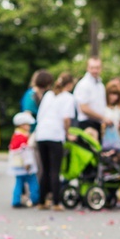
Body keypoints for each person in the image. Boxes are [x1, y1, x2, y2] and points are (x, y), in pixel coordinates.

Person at [35, 72, 76, 211]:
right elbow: (66, 119)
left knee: (45, 169)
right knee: (55, 170)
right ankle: (56, 202)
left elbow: (40, 115)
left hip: (41, 134)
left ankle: (41, 201)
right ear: (70, 84)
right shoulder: (68, 97)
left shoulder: (48, 95)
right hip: (55, 134)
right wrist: (68, 134)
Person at [8, 112, 40, 208]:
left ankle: (16, 200)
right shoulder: (22, 137)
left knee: (18, 183)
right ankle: (35, 199)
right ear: (21, 125)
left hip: (17, 165)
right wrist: (28, 163)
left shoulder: (16, 135)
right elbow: (25, 152)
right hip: (25, 165)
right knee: (33, 182)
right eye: (27, 125)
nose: (29, 127)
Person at [74, 57, 109, 135]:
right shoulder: (84, 84)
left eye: (97, 68)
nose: (95, 70)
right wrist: (103, 118)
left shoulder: (100, 85)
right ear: (87, 68)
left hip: (97, 124)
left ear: (101, 68)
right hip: (86, 124)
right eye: (92, 68)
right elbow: (83, 108)